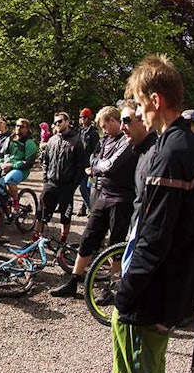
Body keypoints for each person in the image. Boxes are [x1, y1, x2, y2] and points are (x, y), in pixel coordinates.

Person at [87, 55, 194, 373]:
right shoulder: (177, 144)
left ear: (156, 100)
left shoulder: (172, 151)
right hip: (168, 286)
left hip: (156, 290)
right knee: (151, 367)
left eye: (139, 104)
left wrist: (127, 289)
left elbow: (156, 238)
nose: (136, 112)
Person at [77, 101, 159, 373]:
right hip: (140, 240)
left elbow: (108, 168)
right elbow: (102, 163)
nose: (123, 126)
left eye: (127, 120)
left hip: (147, 251)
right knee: (128, 330)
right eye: (121, 121)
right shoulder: (142, 149)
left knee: (130, 327)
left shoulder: (156, 152)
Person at [51, 106, 136, 298]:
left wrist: (96, 166)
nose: (103, 130)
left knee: (115, 243)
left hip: (122, 198)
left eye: (105, 126)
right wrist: (98, 165)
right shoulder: (106, 139)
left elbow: (111, 165)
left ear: (114, 121)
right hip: (103, 193)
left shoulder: (127, 141)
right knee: (88, 237)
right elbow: (95, 158)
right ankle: (74, 280)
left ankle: (113, 288)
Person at [31, 112, 85, 245]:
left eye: (60, 121)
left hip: (67, 186)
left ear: (67, 121)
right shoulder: (52, 140)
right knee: (41, 213)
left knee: (65, 217)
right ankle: (34, 241)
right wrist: (45, 179)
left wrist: (73, 186)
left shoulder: (77, 140)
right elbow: (46, 161)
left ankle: (62, 243)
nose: (57, 124)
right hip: (51, 183)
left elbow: (81, 166)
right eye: (55, 122)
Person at [0, 118, 38, 205]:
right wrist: (0, 164)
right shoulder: (9, 139)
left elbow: (29, 163)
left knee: (9, 180)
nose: (18, 128)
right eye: (17, 125)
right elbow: (1, 155)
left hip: (21, 170)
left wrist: (12, 165)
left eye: (22, 126)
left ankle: (15, 204)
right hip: (6, 168)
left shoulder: (30, 143)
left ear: (26, 129)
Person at [78, 108, 101, 215]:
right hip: (80, 165)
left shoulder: (93, 133)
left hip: (90, 167)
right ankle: (87, 207)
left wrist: (94, 164)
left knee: (89, 187)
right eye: (82, 117)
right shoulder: (80, 131)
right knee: (83, 187)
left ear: (89, 118)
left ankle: (89, 208)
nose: (83, 120)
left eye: (85, 117)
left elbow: (97, 150)